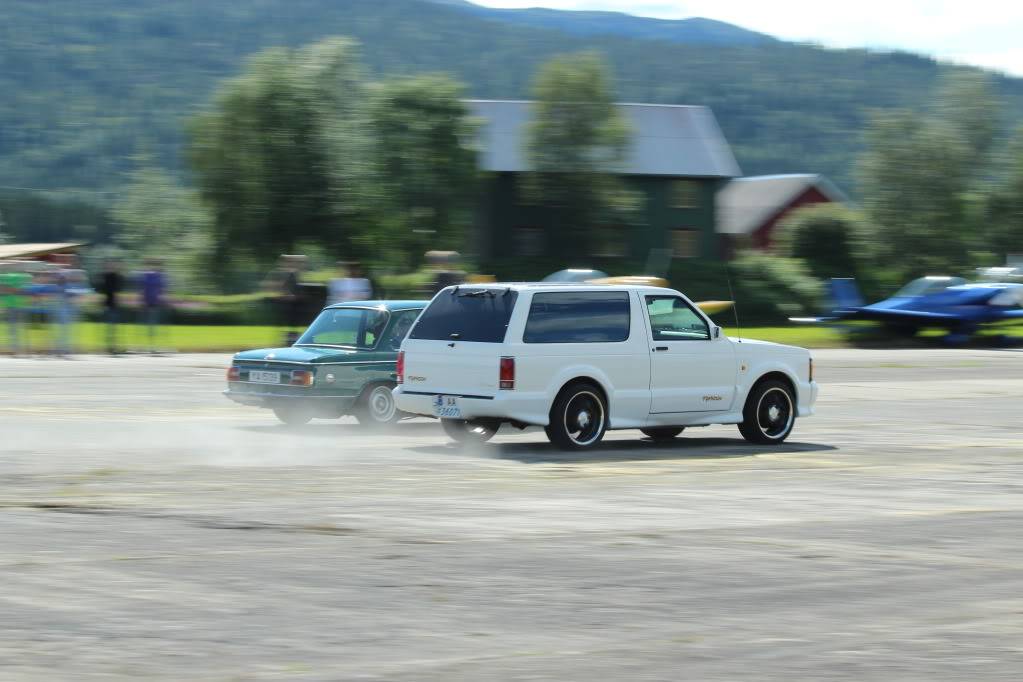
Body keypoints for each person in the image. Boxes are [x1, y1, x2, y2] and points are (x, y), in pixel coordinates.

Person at [53, 254, 90, 357]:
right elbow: (59, 287)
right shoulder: (62, 273)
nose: (72, 261)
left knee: (71, 328)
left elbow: (84, 290)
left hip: (74, 305)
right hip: (64, 304)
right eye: (70, 259)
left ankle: (66, 348)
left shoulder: (81, 274)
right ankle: (62, 349)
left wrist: (80, 297)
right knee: (64, 328)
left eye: (74, 260)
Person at [0, 262, 31, 355]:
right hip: (19, 304)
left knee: (12, 327)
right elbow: (26, 289)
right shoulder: (25, 277)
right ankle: (18, 347)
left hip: (10, 304)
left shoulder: (4, 277)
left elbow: (3, 290)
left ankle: (15, 348)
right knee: (19, 326)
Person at [139, 258, 168, 354]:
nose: (155, 267)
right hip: (148, 303)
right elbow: (143, 289)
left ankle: (152, 346)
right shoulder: (147, 276)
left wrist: (163, 299)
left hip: (154, 303)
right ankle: (147, 346)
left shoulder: (158, 276)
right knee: (148, 325)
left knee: (153, 325)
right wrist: (142, 300)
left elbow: (161, 290)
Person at [96, 259, 124, 355]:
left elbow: (118, 291)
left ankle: (112, 346)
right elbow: (101, 290)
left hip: (113, 305)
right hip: (107, 304)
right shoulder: (104, 277)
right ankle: (109, 347)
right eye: (110, 265)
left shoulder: (117, 277)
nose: (112, 267)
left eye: (113, 265)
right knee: (108, 327)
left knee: (113, 327)